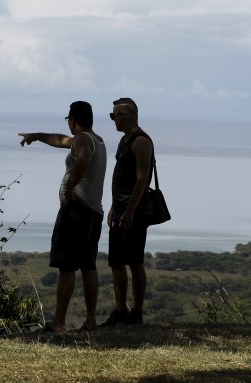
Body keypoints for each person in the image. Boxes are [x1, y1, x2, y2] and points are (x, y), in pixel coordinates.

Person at [18, 101, 107, 332]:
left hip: (76, 211)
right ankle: (90, 321)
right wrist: (37, 136)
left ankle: (58, 322)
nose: (68, 124)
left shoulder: (82, 141)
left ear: (73, 120)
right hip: (94, 212)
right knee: (88, 265)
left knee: (67, 266)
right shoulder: (96, 139)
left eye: (68, 119)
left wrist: (70, 187)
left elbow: (83, 158)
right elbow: (61, 141)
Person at [102, 97, 154, 326]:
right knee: (116, 261)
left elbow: (142, 180)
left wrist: (130, 211)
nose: (114, 119)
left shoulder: (141, 141)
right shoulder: (125, 141)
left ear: (129, 115)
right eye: (112, 115)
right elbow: (122, 179)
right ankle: (120, 310)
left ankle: (137, 312)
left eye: (116, 115)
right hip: (121, 208)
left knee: (134, 261)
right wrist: (114, 206)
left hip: (134, 211)